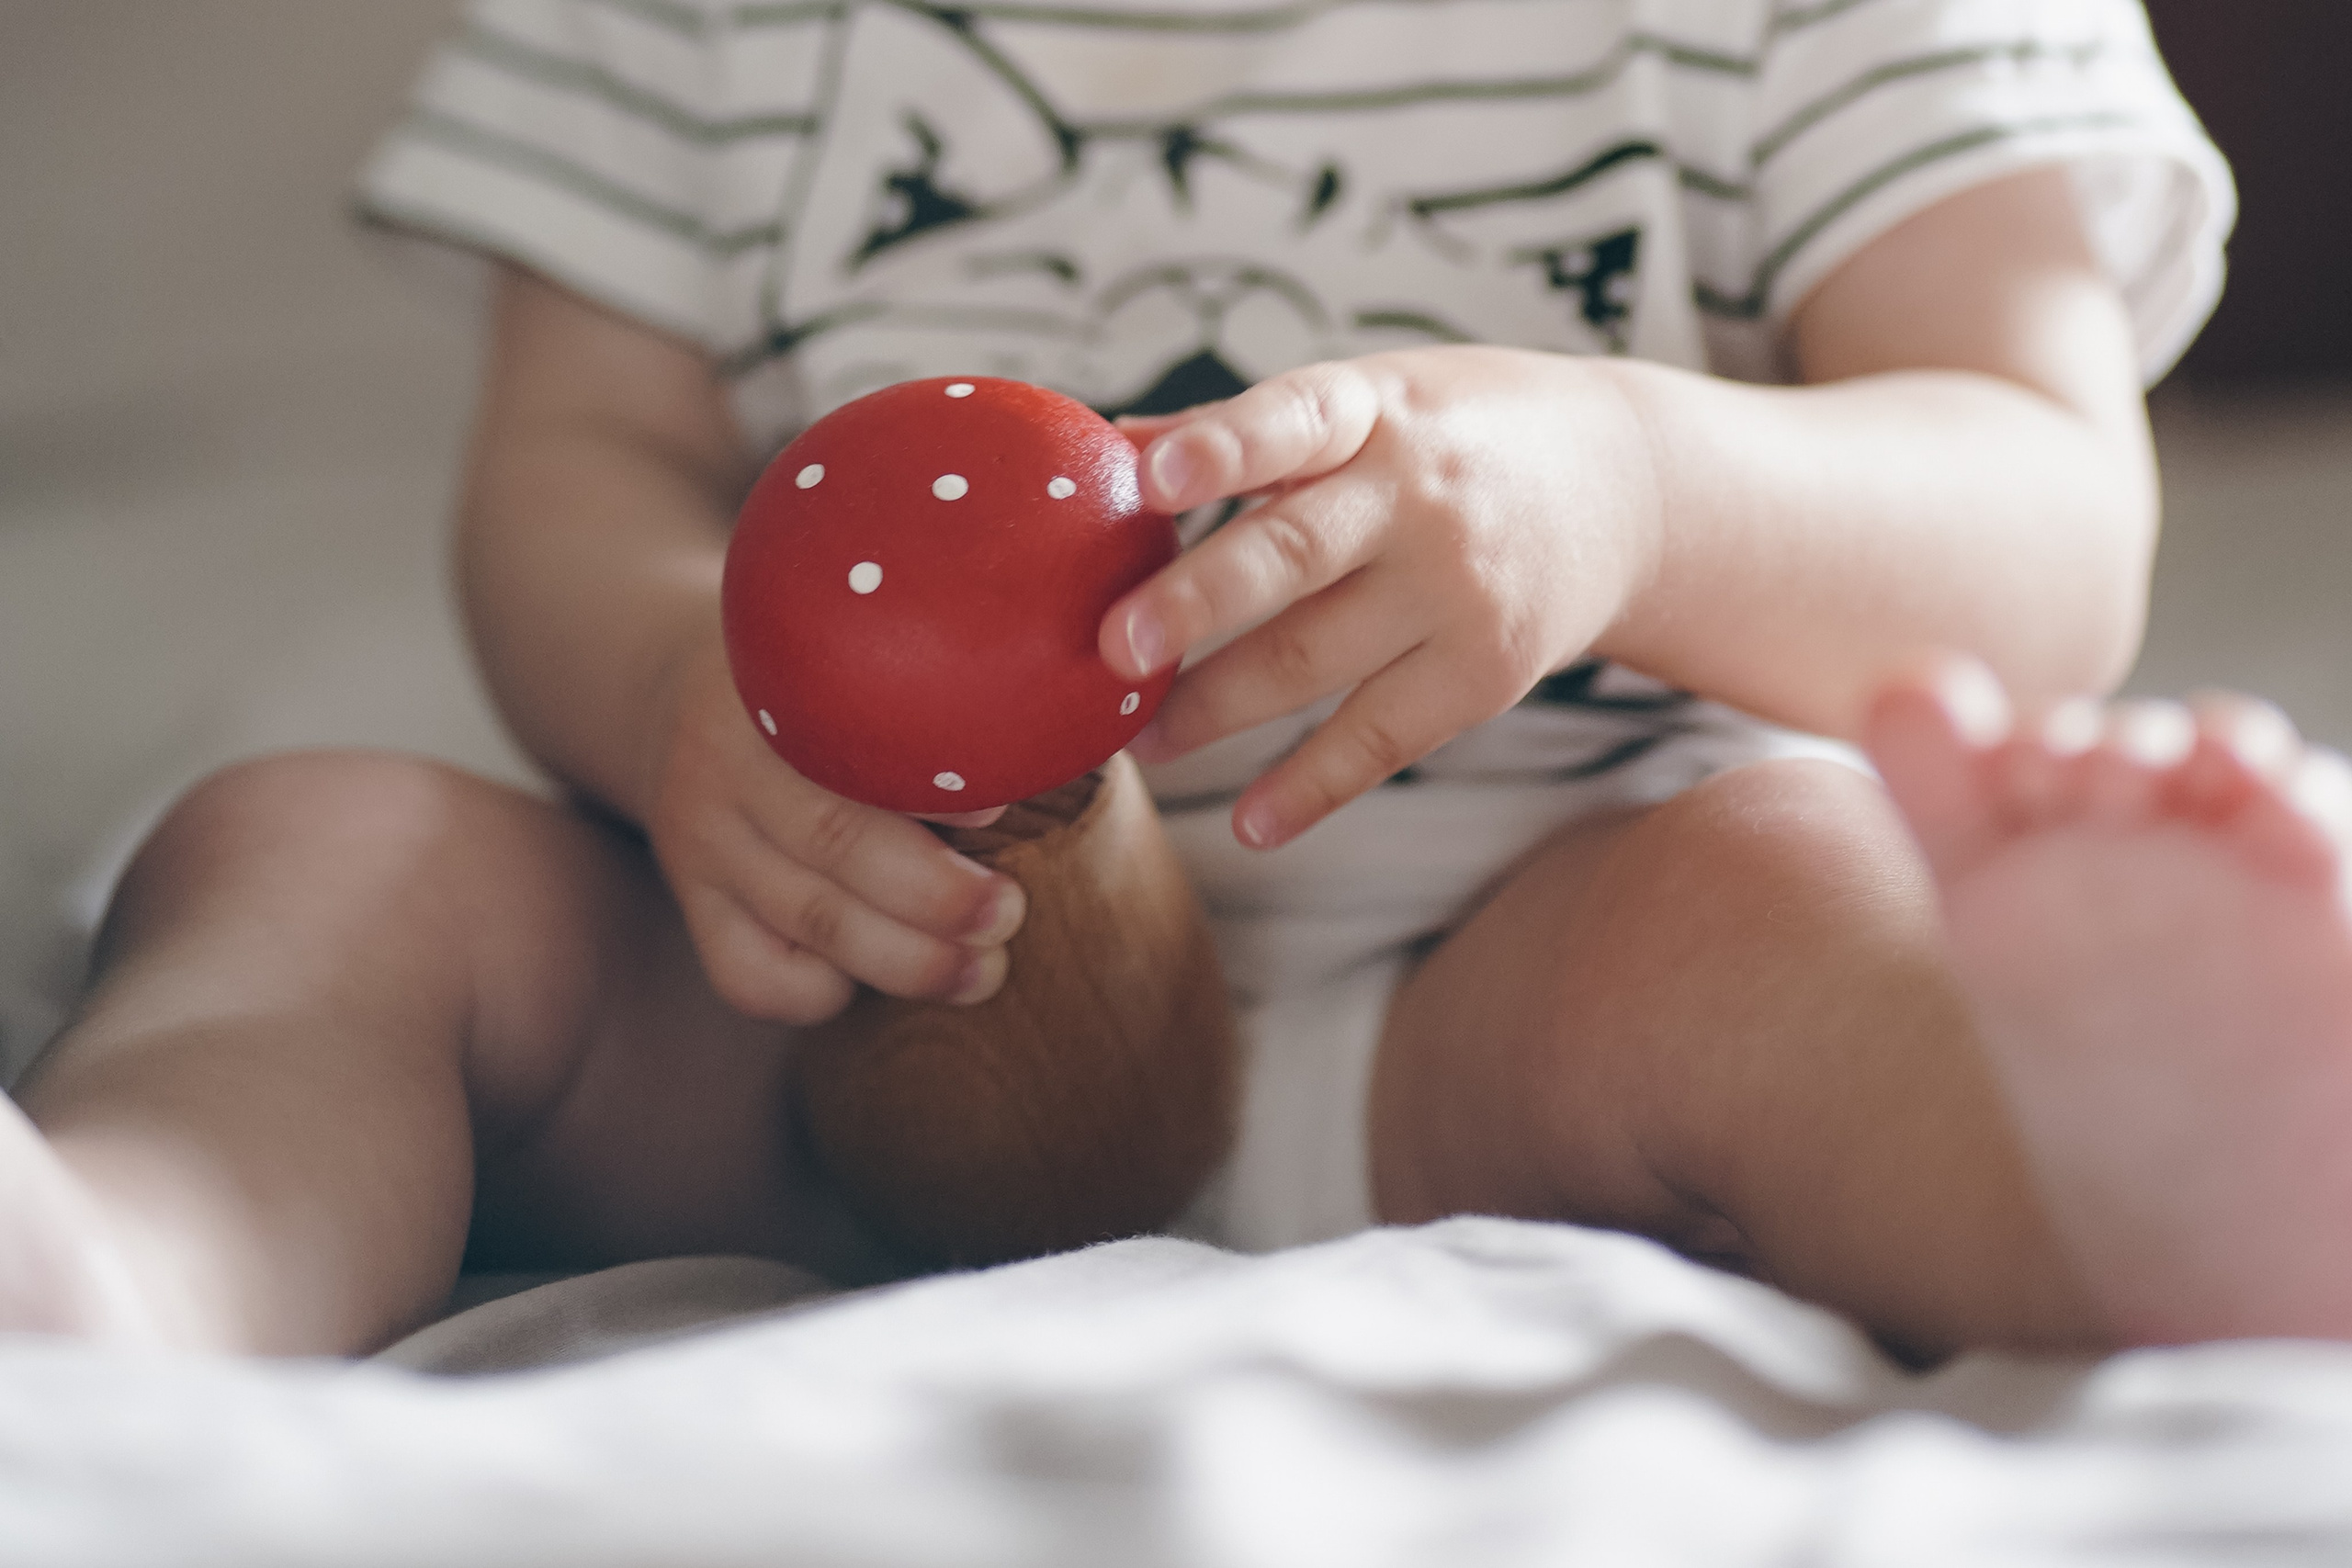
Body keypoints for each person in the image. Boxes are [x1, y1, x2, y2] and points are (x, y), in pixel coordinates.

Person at [7, 0, 2330, 1359]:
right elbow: (569, 468)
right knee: (319, 849)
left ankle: (2182, 1211)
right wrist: (670, 683)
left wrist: (1626, 483)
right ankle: (122, 1255)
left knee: (1813, 901)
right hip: (827, 1006)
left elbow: (2040, 508)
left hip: (1538, 977)